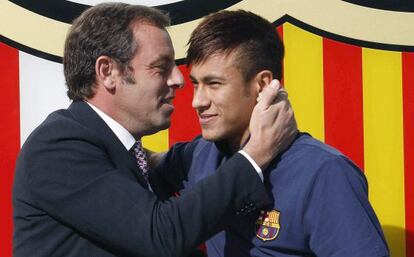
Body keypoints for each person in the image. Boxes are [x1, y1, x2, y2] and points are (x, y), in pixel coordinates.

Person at [12, 4, 297, 257]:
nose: (178, 80)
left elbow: (189, 158)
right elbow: (161, 235)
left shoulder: (118, 150)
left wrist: (248, 127)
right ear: (108, 72)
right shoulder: (58, 147)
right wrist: (256, 153)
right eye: (161, 68)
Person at [151, 10, 390, 257]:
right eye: (195, 84)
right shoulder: (202, 154)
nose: (197, 101)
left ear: (263, 85)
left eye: (214, 84)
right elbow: (141, 165)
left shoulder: (324, 172)